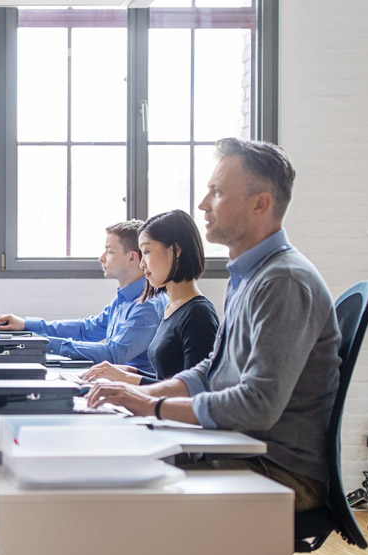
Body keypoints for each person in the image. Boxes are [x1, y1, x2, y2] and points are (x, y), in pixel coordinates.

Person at [86, 139, 340, 511]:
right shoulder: (248, 276)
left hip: (279, 470)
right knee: (110, 467)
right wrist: (143, 396)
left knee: (120, 494)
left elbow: (257, 404)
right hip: (242, 449)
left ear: (260, 203)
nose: (204, 204)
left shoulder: (283, 282)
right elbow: (212, 368)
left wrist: (152, 406)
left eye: (217, 192)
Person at [0, 220, 164, 373]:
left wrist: (43, 343)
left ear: (132, 258)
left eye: (109, 252)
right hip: (114, 381)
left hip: (133, 389)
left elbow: (113, 354)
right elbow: (86, 329)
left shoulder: (146, 306)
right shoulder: (124, 299)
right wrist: (26, 325)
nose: (101, 258)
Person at [83, 210, 218, 385]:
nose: (142, 264)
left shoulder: (199, 315)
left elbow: (194, 390)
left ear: (175, 250)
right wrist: (129, 372)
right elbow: (167, 378)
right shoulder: (171, 308)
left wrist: (128, 378)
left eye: (146, 251)